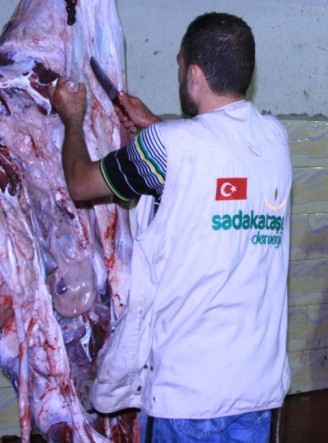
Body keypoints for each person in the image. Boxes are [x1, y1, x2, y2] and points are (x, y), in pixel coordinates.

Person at [50, 12, 291, 443]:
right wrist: (156, 126)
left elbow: (81, 183)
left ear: (194, 74)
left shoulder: (167, 148)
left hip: (187, 396)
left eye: (180, 66)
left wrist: (73, 119)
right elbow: (213, 161)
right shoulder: (275, 140)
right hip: (258, 392)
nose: (180, 74)